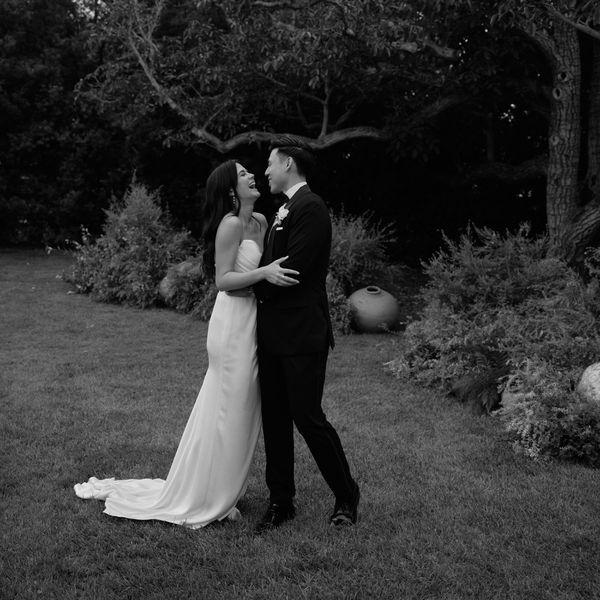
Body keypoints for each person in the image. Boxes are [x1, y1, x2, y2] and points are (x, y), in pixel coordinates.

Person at [74, 160, 299, 528]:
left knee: (242, 412)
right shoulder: (229, 225)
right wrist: (265, 273)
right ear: (230, 189)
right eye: (243, 174)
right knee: (229, 410)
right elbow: (224, 280)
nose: (252, 176)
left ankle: (221, 488)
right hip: (231, 325)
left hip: (255, 322)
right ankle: (210, 496)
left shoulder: (261, 221)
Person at [253, 136, 360, 533]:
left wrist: (250, 286)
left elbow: (292, 269)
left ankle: (347, 494)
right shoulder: (282, 208)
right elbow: (269, 264)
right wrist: (260, 276)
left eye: (270, 163)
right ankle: (281, 501)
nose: (265, 171)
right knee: (275, 419)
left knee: (308, 417)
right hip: (272, 333)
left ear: (289, 165)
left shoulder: (311, 207)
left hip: (302, 333)